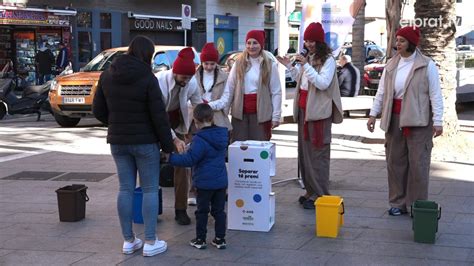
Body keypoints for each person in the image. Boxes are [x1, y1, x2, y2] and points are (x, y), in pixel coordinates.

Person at [92, 35, 174, 257]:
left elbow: (97, 110)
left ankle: (128, 240)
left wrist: (116, 124)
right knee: (149, 189)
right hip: (145, 142)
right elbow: (159, 116)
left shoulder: (107, 75)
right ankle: (150, 240)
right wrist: (168, 146)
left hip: (118, 141)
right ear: (147, 55)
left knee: (125, 189)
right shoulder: (148, 77)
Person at [366, 26, 443, 216]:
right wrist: (373, 114)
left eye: (401, 41)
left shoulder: (426, 65)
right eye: (397, 40)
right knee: (395, 162)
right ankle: (397, 202)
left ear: (411, 43)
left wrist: (438, 120)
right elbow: (381, 92)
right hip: (394, 120)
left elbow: (436, 94)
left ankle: (417, 204)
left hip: (419, 121)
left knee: (418, 164)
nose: (397, 44)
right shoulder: (391, 65)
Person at [277, 22, 343, 209]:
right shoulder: (310, 57)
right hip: (305, 110)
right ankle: (310, 190)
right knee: (304, 153)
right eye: (306, 40)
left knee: (318, 153)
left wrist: (305, 65)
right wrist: (290, 66)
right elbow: (302, 80)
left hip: (319, 113)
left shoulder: (328, 60)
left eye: (312, 40)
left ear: (320, 41)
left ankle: (321, 194)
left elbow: (322, 83)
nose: (308, 44)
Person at [167, 103, 228, 250]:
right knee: (219, 211)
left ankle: (200, 239)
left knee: (202, 212)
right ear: (212, 118)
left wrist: (170, 158)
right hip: (220, 182)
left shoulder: (199, 139)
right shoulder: (222, 135)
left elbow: (190, 160)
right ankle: (220, 239)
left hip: (204, 184)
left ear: (195, 121)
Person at [155, 47, 202, 225]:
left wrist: (204, 130)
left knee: (183, 164)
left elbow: (198, 107)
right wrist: (173, 138)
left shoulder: (191, 82)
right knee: (151, 164)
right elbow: (158, 116)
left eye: (189, 78)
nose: (186, 81)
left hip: (177, 123)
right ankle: (152, 207)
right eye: (184, 77)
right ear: (175, 72)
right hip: (156, 124)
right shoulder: (159, 81)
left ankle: (180, 209)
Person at [226, 30, 282, 141]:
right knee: (240, 147)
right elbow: (230, 88)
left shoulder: (270, 64)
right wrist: (225, 112)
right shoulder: (238, 63)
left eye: (255, 43)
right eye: (249, 43)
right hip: (240, 114)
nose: (251, 46)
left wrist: (276, 116)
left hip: (261, 114)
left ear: (261, 44)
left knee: (259, 147)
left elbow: (276, 92)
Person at [195, 43, 231, 131]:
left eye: (212, 64)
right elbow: (188, 97)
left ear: (216, 63)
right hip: (196, 117)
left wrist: (209, 106)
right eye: (206, 64)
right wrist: (200, 105)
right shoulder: (194, 76)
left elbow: (225, 99)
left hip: (217, 118)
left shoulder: (224, 77)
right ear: (202, 62)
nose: (209, 67)